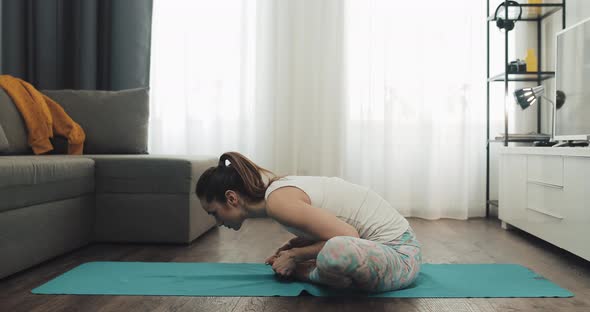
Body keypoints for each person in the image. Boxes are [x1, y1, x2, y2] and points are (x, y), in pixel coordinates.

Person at [196, 151, 422, 292]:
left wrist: (295, 257)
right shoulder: (277, 195)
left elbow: (349, 236)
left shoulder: (278, 202)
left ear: (231, 198)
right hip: (388, 255)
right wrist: (296, 246)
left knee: (336, 251)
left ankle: (305, 272)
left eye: (214, 212)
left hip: (401, 258)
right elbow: (334, 225)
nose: (217, 222)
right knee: (325, 250)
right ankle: (314, 270)